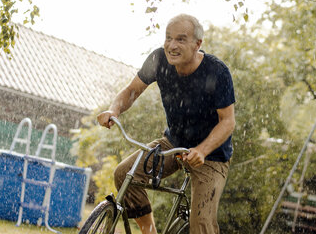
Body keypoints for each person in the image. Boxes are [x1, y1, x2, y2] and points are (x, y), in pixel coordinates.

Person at [97, 14, 236, 234]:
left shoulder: (217, 72)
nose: (172, 45)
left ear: (197, 44)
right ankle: (150, 231)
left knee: (201, 224)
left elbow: (227, 122)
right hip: (173, 144)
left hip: (211, 155)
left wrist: (202, 150)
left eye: (181, 39)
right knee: (125, 175)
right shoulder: (158, 60)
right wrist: (114, 109)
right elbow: (132, 90)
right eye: (168, 38)